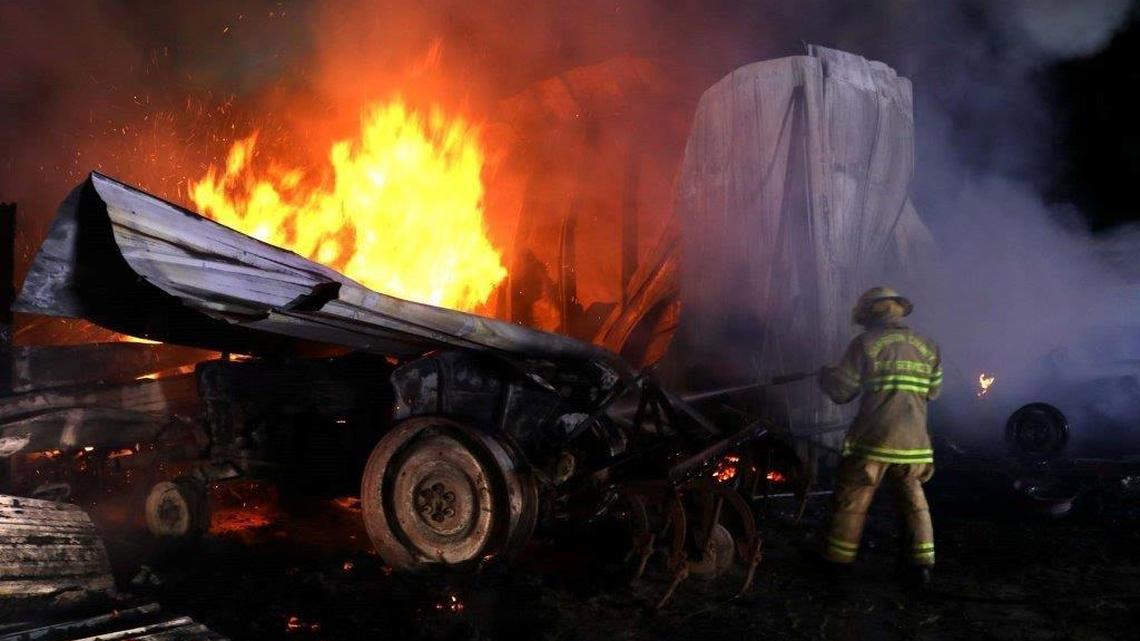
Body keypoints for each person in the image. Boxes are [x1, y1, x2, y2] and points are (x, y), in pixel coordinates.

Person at [817, 286, 942, 585]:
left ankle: (836, 567)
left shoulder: (866, 343)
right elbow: (933, 392)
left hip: (874, 441)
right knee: (914, 503)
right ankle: (921, 567)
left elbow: (842, 391)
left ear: (870, 312)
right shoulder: (928, 345)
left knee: (852, 501)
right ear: (897, 309)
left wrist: (827, 376)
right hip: (914, 446)